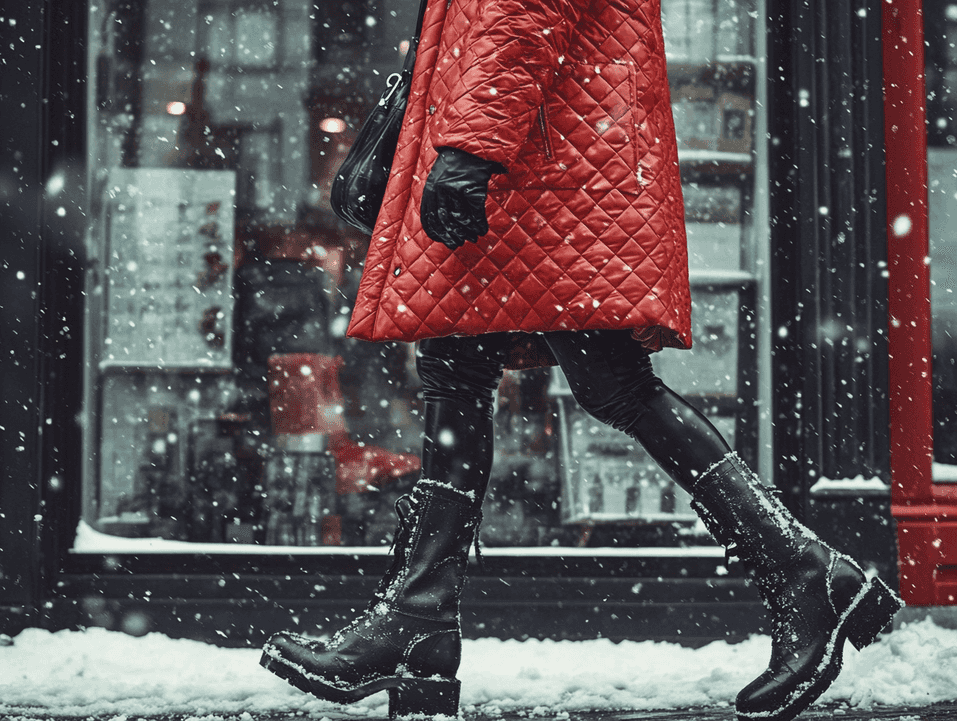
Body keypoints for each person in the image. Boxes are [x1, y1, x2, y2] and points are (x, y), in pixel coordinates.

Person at [260, 1, 904, 720]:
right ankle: (416, 623)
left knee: (610, 385)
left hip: (540, 168)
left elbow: (519, 13)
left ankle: (806, 569)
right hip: (540, 154)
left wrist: (471, 147)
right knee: (459, 372)